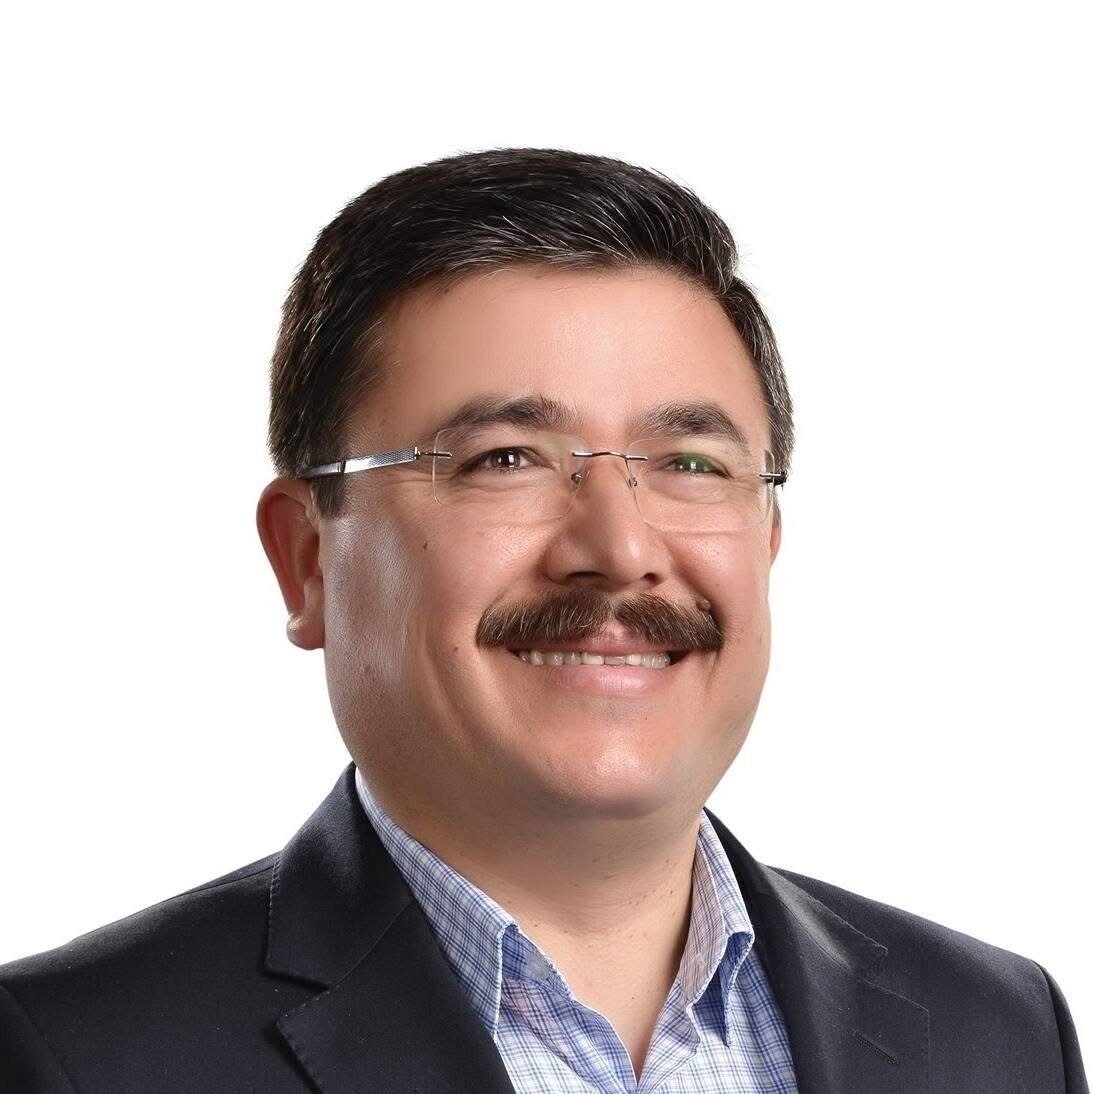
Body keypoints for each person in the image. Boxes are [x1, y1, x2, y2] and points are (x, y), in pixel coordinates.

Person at [0, 148, 1086, 1094]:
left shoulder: (997, 1030)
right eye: (505, 458)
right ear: (308, 559)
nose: (619, 546)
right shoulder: (72, 1055)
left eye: (690, 463)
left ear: (766, 537)